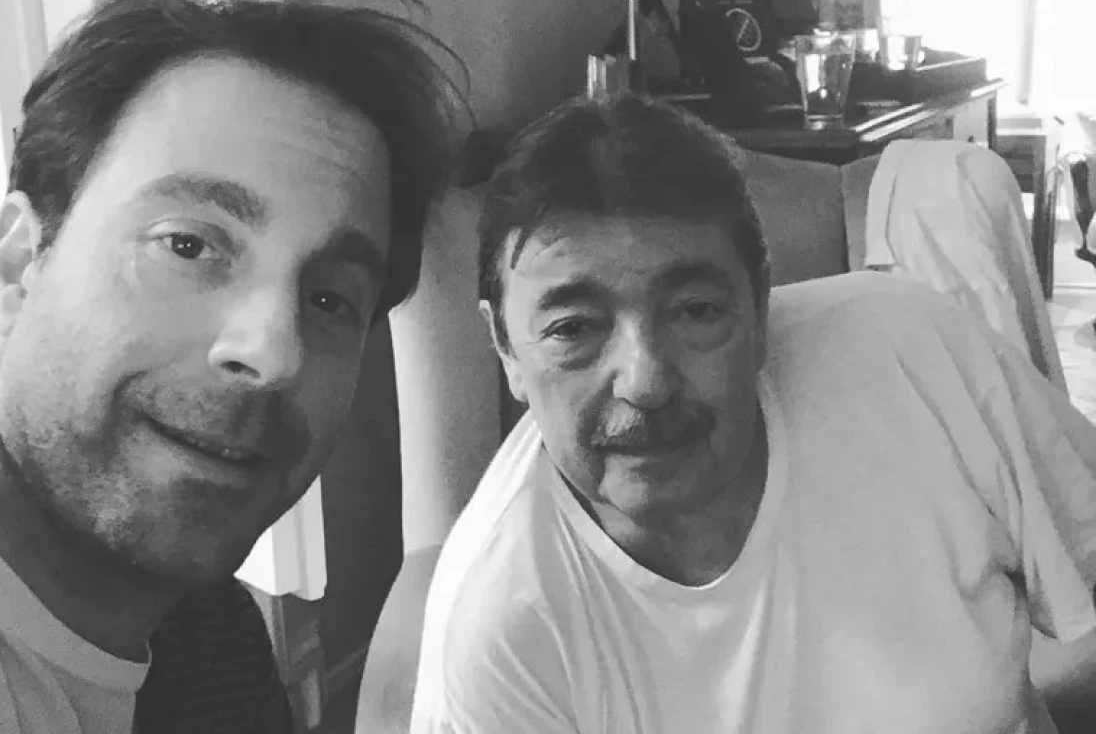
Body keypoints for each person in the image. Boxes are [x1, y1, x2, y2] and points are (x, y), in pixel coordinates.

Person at [410, 93, 1096, 733]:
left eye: (695, 311)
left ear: (759, 308)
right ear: (506, 348)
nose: (646, 382)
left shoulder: (917, 356)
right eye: (573, 329)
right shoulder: (500, 633)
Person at [0, 0, 464, 733]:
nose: (275, 353)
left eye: (331, 300)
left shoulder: (222, 652)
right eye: (188, 246)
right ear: (18, 261)